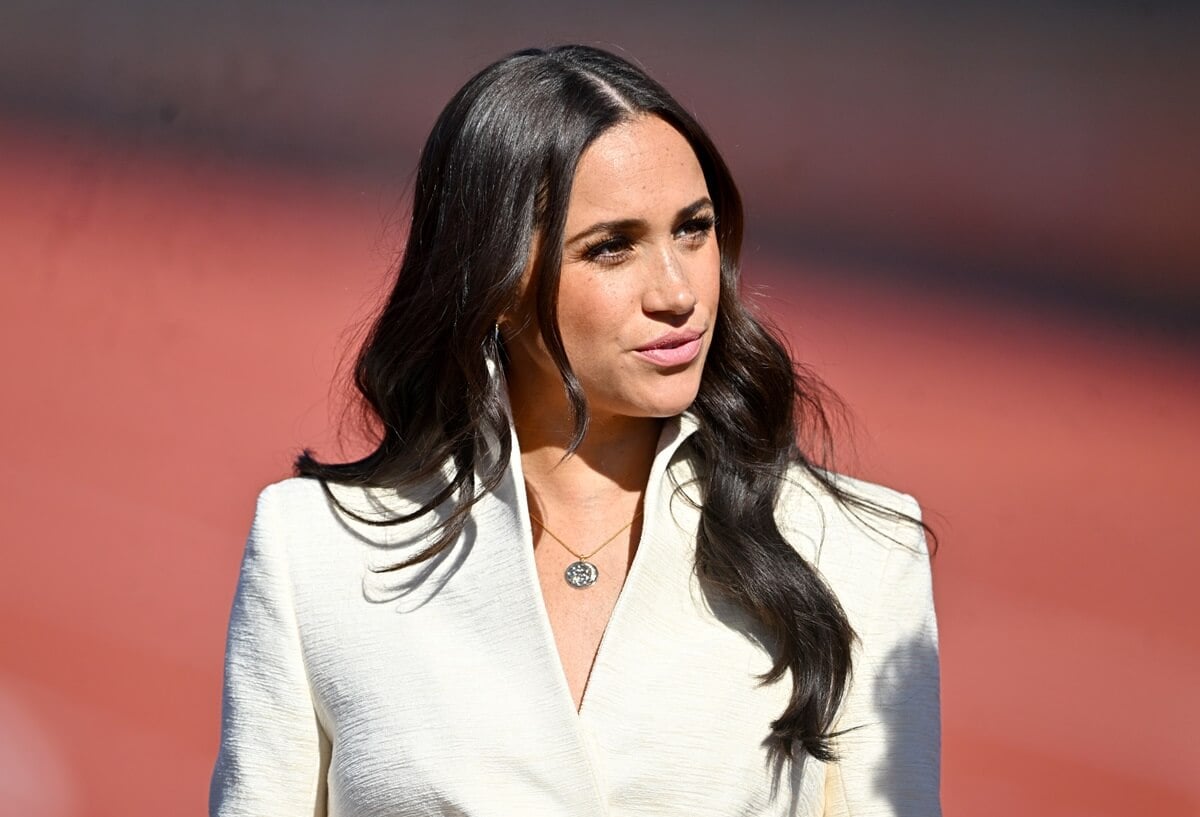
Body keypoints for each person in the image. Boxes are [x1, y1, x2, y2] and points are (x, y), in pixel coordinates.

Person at [210, 45, 940, 816]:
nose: (677, 289)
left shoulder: (859, 552)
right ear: (496, 280)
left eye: (693, 230)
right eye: (612, 247)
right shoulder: (315, 553)